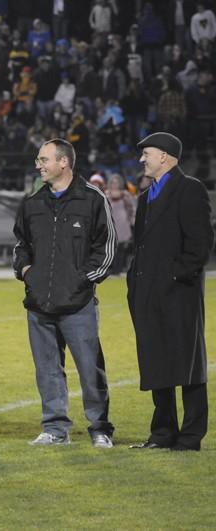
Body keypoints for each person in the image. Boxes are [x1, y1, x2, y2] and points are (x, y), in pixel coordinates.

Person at [13, 138, 116, 448]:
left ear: (64, 163)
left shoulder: (93, 199)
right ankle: (55, 428)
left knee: (89, 369)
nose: (38, 164)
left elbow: (106, 248)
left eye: (44, 159)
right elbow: (21, 246)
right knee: (47, 371)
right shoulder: (32, 203)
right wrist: (27, 273)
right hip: (39, 304)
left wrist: (82, 281)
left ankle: (99, 428)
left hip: (78, 303)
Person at [128, 132, 214, 451]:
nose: (141, 159)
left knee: (188, 363)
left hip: (179, 293)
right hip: (148, 293)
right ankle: (162, 433)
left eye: (146, 153)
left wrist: (175, 275)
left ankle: (190, 436)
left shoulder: (190, 189)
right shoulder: (144, 197)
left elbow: (200, 243)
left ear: (164, 156)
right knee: (156, 362)